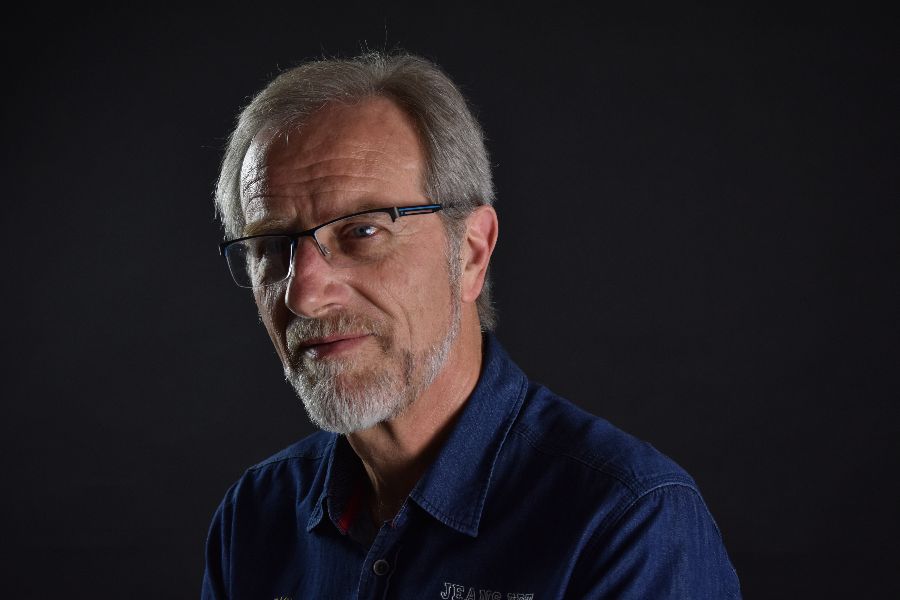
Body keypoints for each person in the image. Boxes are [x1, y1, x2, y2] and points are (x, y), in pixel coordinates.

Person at [202, 52, 741, 599]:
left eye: (361, 232)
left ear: (471, 252)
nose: (304, 294)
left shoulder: (626, 523)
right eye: (271, 247)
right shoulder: (254, 518)